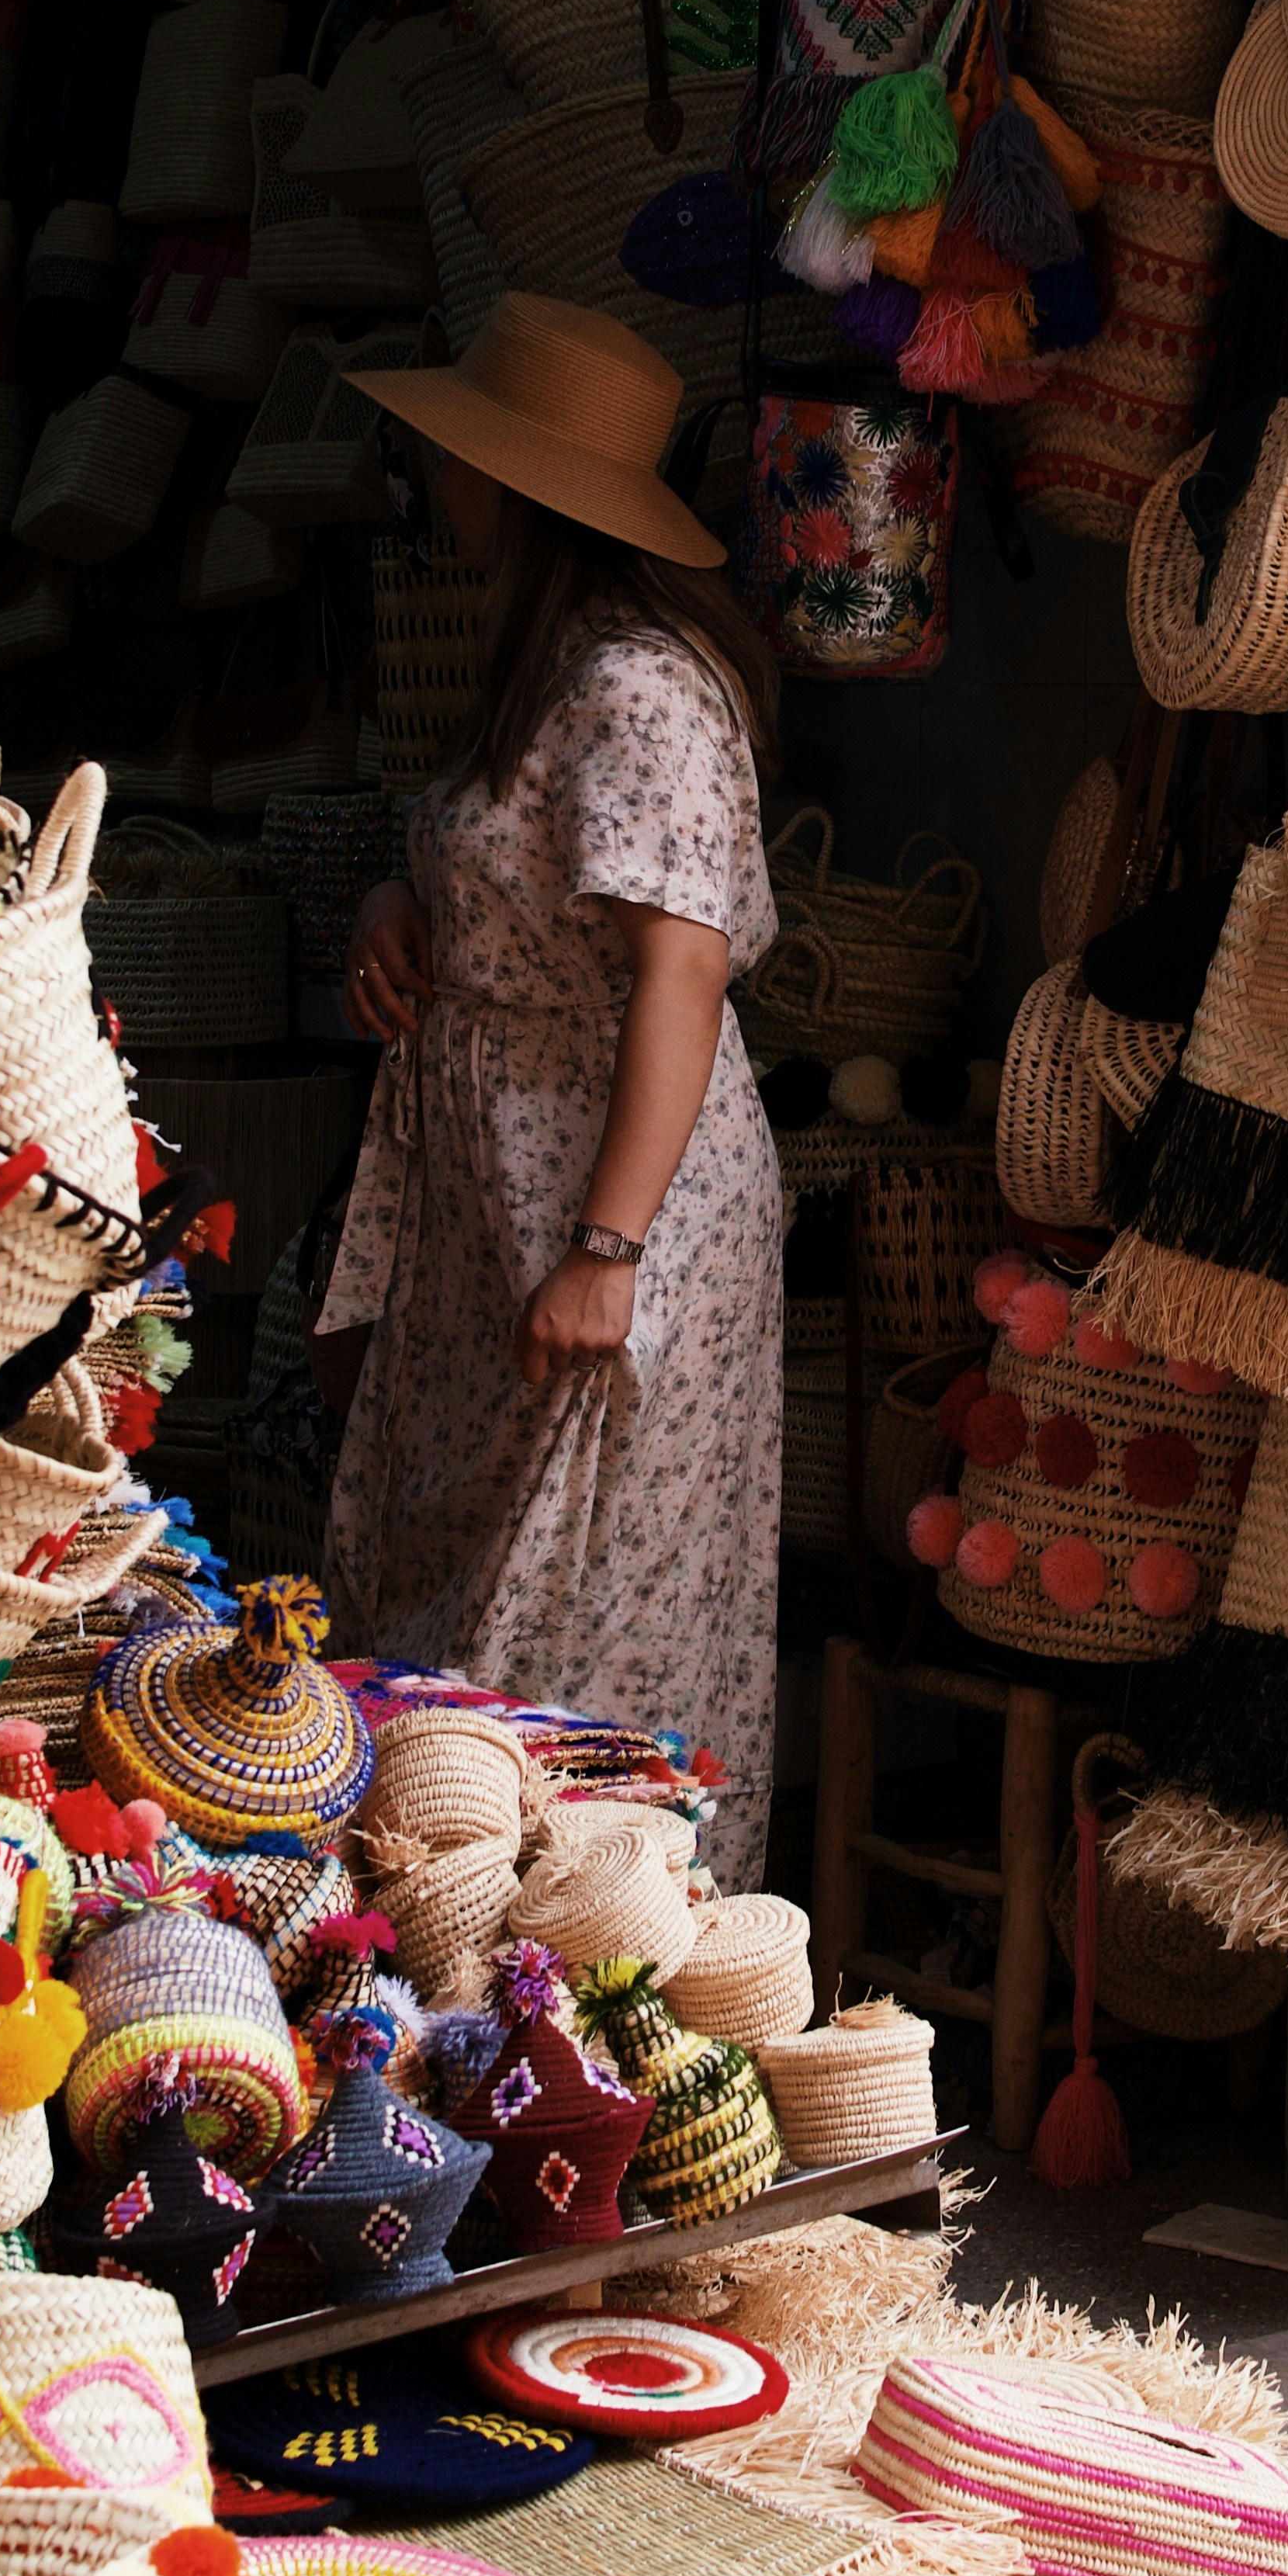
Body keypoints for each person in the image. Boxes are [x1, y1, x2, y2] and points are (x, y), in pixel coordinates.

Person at [316, 294, 786, 1883]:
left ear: (508, 484)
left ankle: (582, 1949)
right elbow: (509, 863)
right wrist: (408, 908)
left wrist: (608, 1252)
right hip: (519, 1209)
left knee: (582, 1616)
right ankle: (467, 1929)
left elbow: (682, 968)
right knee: (495, 1607)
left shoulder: (639, 688)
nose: (436, 485)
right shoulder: (554, 668)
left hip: (609, 1209)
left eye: (455, 460)